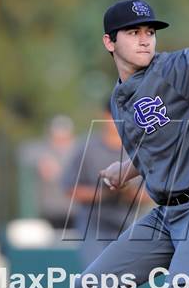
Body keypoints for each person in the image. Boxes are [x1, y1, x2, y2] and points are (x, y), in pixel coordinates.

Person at [72, 0, 189, 288]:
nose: (145, 40)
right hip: (167, 215)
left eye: (149, 32)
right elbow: (154, 146)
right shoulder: (119, 99)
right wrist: (125, 170)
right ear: (109, 41)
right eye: (133, 32)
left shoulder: (173, 69)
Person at [62, 101, 151, 269]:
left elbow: (152, 194)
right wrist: (104, 193)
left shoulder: (141, 147)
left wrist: (126, 191)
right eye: (114, 115)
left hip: (129, 223)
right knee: (95, 277)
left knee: (122, 280)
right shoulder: (87, 147)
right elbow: (69, 189)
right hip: (93, 224)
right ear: (105, 115)